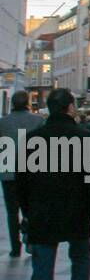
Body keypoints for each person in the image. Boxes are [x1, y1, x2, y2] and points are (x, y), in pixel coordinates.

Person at [16, 89, 90, 280]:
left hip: (42, 213)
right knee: (80, 260)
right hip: (76, 212)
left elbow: (21, 181)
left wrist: (26, 212)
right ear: (70, 107)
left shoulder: (32, 139)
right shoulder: (85, 138)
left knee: (42, 271)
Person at [0, 91, 44, 257]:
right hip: (32, 172)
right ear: (28, 102)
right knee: (31, 208)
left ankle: (15, 247)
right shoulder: (38, 120)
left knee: (12, 212)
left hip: (8, 173)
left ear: (12, 103)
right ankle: (30, 238)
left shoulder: (2, 123)